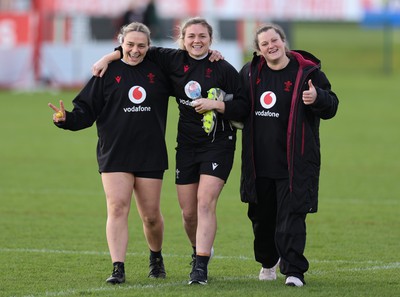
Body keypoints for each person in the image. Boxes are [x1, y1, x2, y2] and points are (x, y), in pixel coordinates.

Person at [92, 17, 248, 285]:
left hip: (218, 143)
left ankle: (199, 267)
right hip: (186, 145)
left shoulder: (222, 67)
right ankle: (198, 249)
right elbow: (136, 47)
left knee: (205, 202)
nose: (197, 41)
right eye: (191, 37)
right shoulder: (171, 60)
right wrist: (107, 58)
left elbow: (244, 106)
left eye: (202, 36)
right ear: (182, 39)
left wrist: (217, 105)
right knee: (188, 214)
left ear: (211, 40)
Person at [48, 22, 173, 284]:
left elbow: (188, 67)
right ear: (121, 43)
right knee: (116, 208)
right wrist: (66, 119)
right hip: (114, 152)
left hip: (150, 152)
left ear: (149, 46)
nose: (135, 50)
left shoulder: (159, 69)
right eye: (129, 45)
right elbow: (85, 112)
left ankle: (156, 257)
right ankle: (118, 267)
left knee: (150, 216)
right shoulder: (106, 72)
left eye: (141, 45)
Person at [238, 23, 339, 287]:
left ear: (284, 42)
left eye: (275, 40)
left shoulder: (308, 73)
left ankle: (294, 271)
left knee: (292, 218)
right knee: (261, 220)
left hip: (295, 163)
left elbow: (332, 106)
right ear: (258, 51)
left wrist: (318, 98)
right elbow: (237, 104)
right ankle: (268, 261)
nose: (271, 46)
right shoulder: (249, 73)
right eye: (264, 44)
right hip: (258, 164)